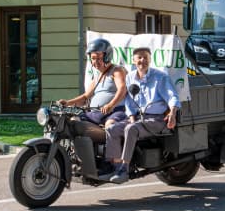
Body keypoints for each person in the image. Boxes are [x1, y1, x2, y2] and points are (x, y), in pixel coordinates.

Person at [105, 46, 180, 183]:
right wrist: (131, 116)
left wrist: (173, 114)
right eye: (139, 57)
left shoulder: (160, 77)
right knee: (112, 129)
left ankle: (124, 169)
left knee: (131, 129)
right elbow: (129, 100)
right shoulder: (130, 77)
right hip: (139, 119)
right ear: (134, 60)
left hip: (157, 120)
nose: (142, 60)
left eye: (146, 57)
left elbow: (172, 96)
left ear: (150, 59)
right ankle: (115, 167)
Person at [58, 38, 127, 140]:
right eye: (93, 58)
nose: (95, 62)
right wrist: (67, 103)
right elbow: (85, 97)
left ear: (107, 56)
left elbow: (122, 89)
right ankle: (75, 148)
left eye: (98, 58)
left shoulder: (117, 71)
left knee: (110, 125)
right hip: (96, 113)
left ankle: (113, 150)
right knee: (73, 121)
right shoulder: (98, 77)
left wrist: (111, 105)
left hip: (115, 111)